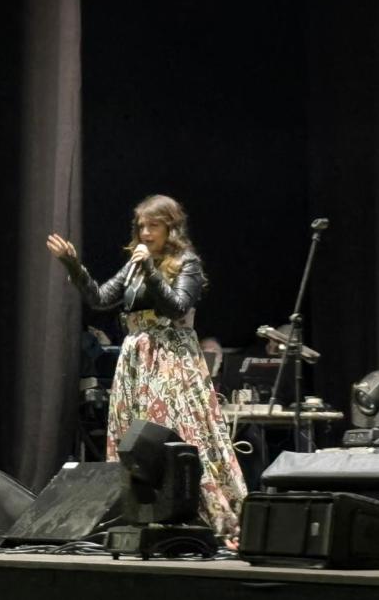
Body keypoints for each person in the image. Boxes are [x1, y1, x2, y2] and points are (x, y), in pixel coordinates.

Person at [47, 194, 247, 538]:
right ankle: (144, 510)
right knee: (135, 435)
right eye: (141, 225)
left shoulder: (187, 263)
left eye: (153, 225)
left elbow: (177, 307)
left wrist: (151, 270)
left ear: (170, 226)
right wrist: (72, 265)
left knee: (175, 430)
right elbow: (99, 298)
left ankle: (205, 512)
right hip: (137, 358)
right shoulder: (135, 264)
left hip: (171, 356)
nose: (145, 232)